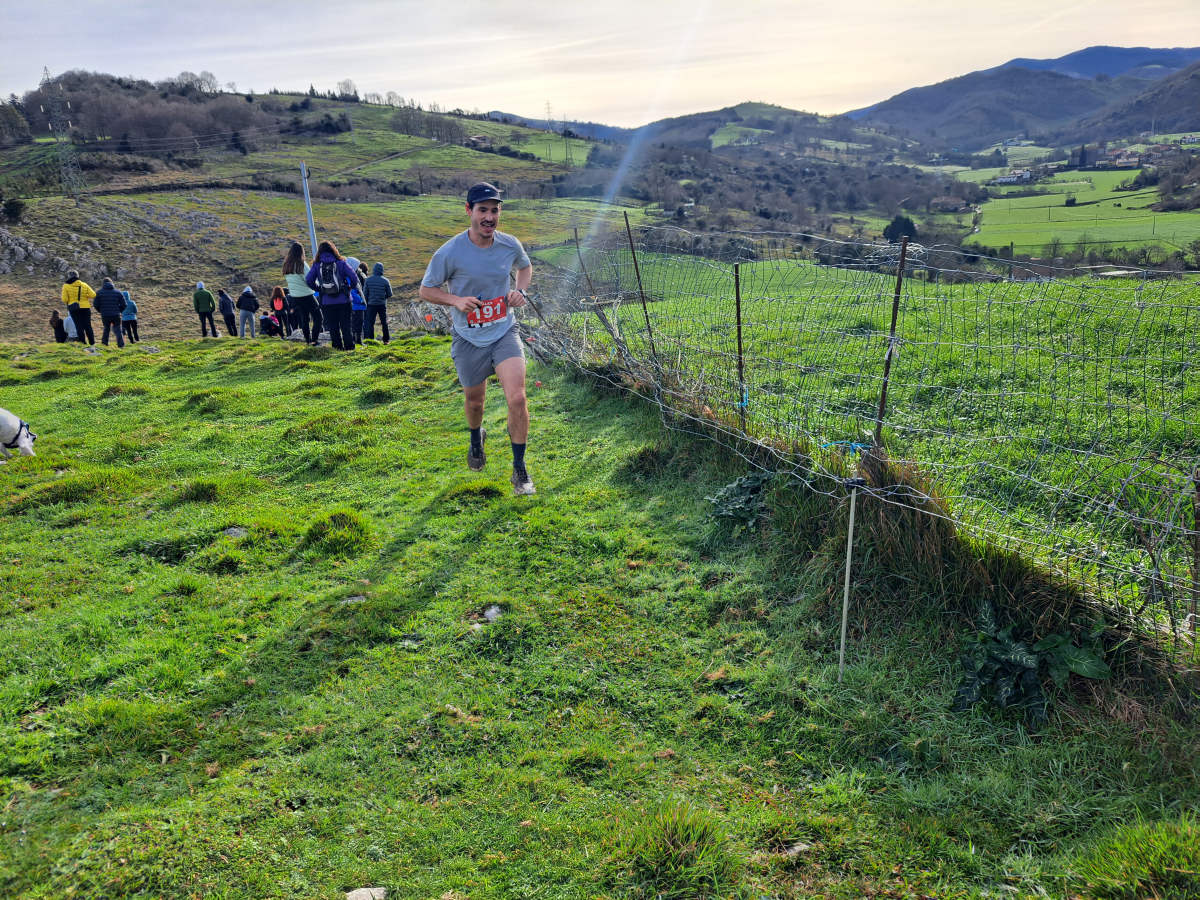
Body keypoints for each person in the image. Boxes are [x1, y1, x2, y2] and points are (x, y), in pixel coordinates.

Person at [418, 182, 536, 496]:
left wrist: (519, 291)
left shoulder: (509, 245)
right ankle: (475, 438)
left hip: (503, 332)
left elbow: (525, 267)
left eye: (494, 210)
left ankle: (520, 472)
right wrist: (455, 301)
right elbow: (426, 290)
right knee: (475, 401)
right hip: (468, 338)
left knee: (518, 398)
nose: (489, 217)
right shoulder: (450, 252)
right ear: (469, 211)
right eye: (482, 210)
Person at [305, 240, 357, 350]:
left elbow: (308, 280)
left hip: (327, 302)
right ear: (334, 250)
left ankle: (337, 348)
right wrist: (349, 288)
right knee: (346, 326)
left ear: (319, 252)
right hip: (344, 300)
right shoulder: (341, 263)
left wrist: (319, 289)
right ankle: (349, 348)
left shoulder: (317, 265)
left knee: (333, 327)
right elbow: (354, 277)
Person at [283, 242, 320, 344]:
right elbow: (309, 279)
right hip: (307, 295)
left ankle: (308, 341)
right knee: (318, 317)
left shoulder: (287, 265)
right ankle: (315, 340)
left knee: (304, 319)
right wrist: (318, 288)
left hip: (295, 296)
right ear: (301, 252)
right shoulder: (301, 264)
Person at [61, 270, 96, 345]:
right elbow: (93, 295)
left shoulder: (66, 286)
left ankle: (83, 343)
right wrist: (85, 297)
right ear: (77, 276)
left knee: (79, 327)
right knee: (88, 326)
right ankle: (92, 343)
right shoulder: (84, 284)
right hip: (86, 308)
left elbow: (65, 299)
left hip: (74, 309)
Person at [92, 278, 127, 347]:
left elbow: (95, 304)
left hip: (105, 315)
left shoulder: (99, 293)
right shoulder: (118, 292)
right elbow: (124, 304)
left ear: (103, 284)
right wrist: (119, 311)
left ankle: (104, 344)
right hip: (116, 314)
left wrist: (100, 311)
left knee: (106, 328)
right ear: (112, 283)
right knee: (118, 330)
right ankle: (121, 345)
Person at [363, 261, 392, 343]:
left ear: (374, 269)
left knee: (370, 322)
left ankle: (371, 339)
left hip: (371, 305)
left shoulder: (368, 280)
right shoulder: (386, 281)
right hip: (382, 305)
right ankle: (386, 340)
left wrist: (368, 301)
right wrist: (383, 297)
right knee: (384, 322)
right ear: (382, 270)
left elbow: (365, 294)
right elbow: (390, 294)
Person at [347, 258, 368, 345]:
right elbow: (352, 291)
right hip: (357, 304)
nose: (358, 268)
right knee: (358, 322)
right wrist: (361, 300)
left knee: (355, 323)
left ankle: (355, 340)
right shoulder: (351, 277)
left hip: (355, 304)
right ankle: (358, 340)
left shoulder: (352, 276)